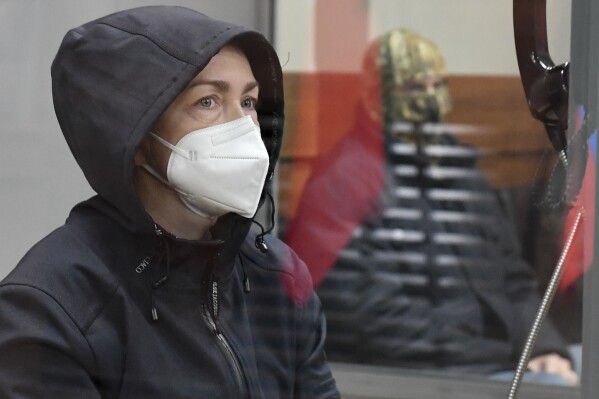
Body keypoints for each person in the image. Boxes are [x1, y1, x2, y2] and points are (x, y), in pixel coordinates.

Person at [0, 6, 339, 398]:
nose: (244, 129)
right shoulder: (51, 310)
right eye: (208, 102)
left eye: (248, 102)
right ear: (135, 136)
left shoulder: (277, 279)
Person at [284, 28, 577, 385]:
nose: (431, 99)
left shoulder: (459, 168)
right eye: (414, 89)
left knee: (578, 360)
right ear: (376, 96)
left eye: (436, 85)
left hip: (495, 358)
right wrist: (498, 360)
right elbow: (368, 318)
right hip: (433, 375)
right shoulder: (340, 185)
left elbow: (513, 279)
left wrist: (544, 349)